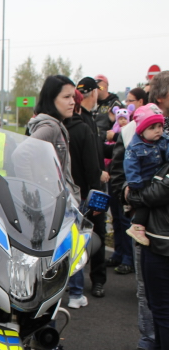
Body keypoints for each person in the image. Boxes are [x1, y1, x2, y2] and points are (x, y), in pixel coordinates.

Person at [28, 75, 80, 350]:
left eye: (73, 96)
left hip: (52, 214)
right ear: (52, 99)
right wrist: (48, 192)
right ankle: (46, 344)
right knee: (54, 282)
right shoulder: (49, 127)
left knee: (48, 281)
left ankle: (42, 339)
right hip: (53, 216)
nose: (72, 101)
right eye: (66, 97)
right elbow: (23, 155)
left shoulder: (49, 124)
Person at [111, 87, 154, 350]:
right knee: (145, 288)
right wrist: (133, 194)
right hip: (145, 221)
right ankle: (149, 342)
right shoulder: (128, 133)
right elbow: (117, 176)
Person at [125, 159, 169, 350]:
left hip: (164, 246)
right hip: (156, 241)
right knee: (156, 307)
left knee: (163, 312)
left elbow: (156, 194)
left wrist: (132, 195)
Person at [64, 90, 103, 309]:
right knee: (77, 243)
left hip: (57, 195)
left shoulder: (57, 130)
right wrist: (95, 193)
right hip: (80, 196)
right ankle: (77, 293)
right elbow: (92, 167)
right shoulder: (83, 130)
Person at [75, 77, 110, 293]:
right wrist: (98, 176)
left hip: (86, 187)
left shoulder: (88, 119)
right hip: (89, 189)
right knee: (95, 233)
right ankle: (96, 280)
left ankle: (94, 280)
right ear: (94, 93)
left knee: (87, 234)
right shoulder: (83, 122)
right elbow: (88, 160)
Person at [124, 104, 168, 246]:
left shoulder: (163, 140)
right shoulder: (135, 147)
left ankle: (138, 225)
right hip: (143, 181)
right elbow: (130, 165)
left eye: (160, 127)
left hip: (157, 179)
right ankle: (137, 226)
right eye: (152, 127)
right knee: (144, 203)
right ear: (142, 131)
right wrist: (134, 183)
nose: (158, 131)